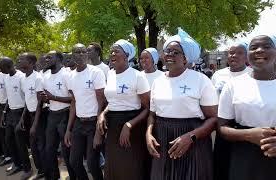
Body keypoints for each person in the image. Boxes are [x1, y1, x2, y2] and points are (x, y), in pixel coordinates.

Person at [146, 28, 218, 180]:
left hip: (192, 142)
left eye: (176, 52)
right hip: (163, 140)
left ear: (186, 58)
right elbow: (152, 115)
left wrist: (190, 137)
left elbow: (213, 119)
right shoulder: (158, 82)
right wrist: (148, 134)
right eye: (167, 51)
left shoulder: (200, 80)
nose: (170, 55)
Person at [218, 34, 276, 180]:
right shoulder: (233, 85)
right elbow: (222, 128)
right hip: (243, 156)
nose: (259, 50)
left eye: (267, 46)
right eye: (253, 47)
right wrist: (250, 135)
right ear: (248, 55)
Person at [95, 39, 151, 180]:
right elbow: (112, 102)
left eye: (116, 51)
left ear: (126, 56)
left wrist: (129, 125)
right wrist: (103, 113)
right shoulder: (110, 74)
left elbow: (148, 108)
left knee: (130, 167)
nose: (112, 53)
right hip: (113, 126)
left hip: (132, 127)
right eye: (111, 51)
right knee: (114, 165)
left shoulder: (138, 76)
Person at [212, 42, 252, 180]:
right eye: (231, 52)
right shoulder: (218, 75)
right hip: (222, 124)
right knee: (221, 163)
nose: (234, 55)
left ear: (247, 57)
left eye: (239, 53)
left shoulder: (253, 74)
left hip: (243, 126)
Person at [64, 43, 105, 180]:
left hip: (94, 122)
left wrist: (99, 131)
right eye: (77, 52)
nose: (81, 55)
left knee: (93, 163)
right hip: (79, 123)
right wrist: (68, 129)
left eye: (83, 52)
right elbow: (74, 102)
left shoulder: (95, 72)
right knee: (74, 161)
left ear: (87, 54)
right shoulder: (70, 76)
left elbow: (102, 101)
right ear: (72, 55)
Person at [41, 51, 76, 180]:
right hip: (52, 115)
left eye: (50, 57)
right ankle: (54, 176)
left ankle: (73, 176)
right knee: (49, 149)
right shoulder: (45, 76)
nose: (46, 59)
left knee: (67, 151)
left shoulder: (67, 75)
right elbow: (47, 99)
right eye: (46, 57)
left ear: (59, 59)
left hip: (65, 115)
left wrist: (53, 97)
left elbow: (73, 99)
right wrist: (45, 99)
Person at [18, 53, 45, 179]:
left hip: (40, 115)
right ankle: (41, 169)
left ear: (31, 63)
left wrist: (34, 123)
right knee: (33, 145)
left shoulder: (38, 78)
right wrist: (23, 117)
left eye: (22, 59)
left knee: (39, 145)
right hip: (30, 114)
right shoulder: (23, 78)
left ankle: (45, 170)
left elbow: (40, 102)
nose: (18, 60)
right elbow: (27, 100)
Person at [0, 57, 25, 176]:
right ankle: (16, 163)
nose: (0, 69)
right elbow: (9, 97)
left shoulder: (21, 77)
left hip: (21, 112)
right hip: (10, 112)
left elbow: (27, 99)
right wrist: (4, 113)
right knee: (8, 139)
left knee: (20, 142)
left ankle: (27, 168)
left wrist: (23, 118)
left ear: (8, 66)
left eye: (1, 67)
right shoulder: (5, 77)